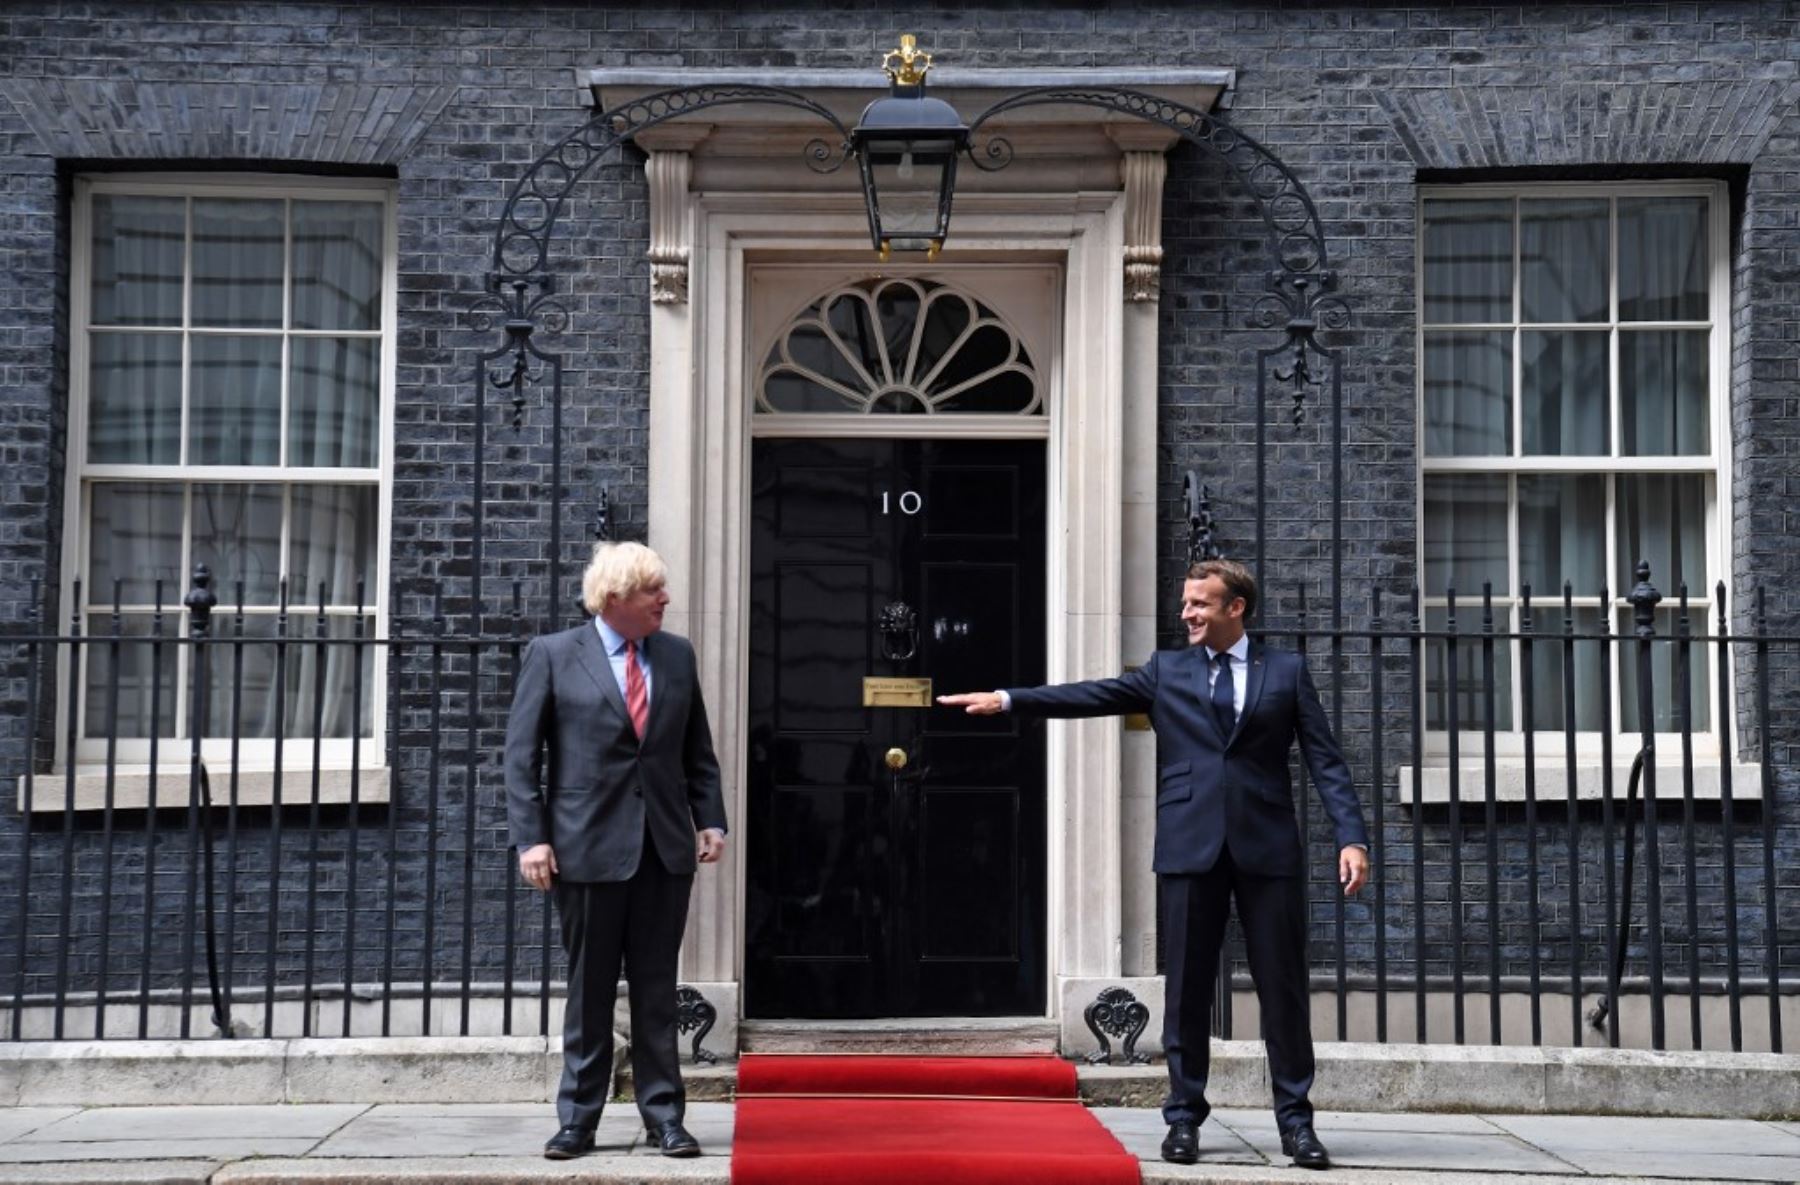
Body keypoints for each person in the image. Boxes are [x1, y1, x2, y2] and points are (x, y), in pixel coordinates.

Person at [939, 558, 1368, 1171]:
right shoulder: (1167, 671)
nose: (1186, 613)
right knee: (1188, 990)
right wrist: (1009, 699)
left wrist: (1352, 837)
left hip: (1268, 847)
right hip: (1190, 846)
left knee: (1283, 992)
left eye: (1199, 603)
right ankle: (1184, 1119)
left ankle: (1296, 1124)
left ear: (1234, 608)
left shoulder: (1287, 672)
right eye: (1186, 603)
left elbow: (1326, 761)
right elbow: (1092, 695)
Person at [505, 541, 727, 1160]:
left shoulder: (676, 657)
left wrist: (710, 820)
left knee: (658, 989)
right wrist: (533, 837)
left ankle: (665, 1117)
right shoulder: (552, 655)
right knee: (590, 989)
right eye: (652, 590)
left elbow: (696, 752)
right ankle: (578, 1118)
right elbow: (521, 758)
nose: (665, 599)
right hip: (584, 848)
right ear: (613, 600)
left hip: (664, 848)